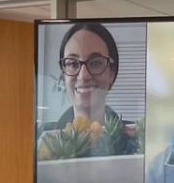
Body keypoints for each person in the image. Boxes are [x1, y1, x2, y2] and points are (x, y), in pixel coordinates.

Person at [40, 22, 127, 156]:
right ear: (64, 74)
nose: (84, 75)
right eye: (73, 64)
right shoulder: (43, 138)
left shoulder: (135, 136)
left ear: (111, 73)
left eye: (96, 63)